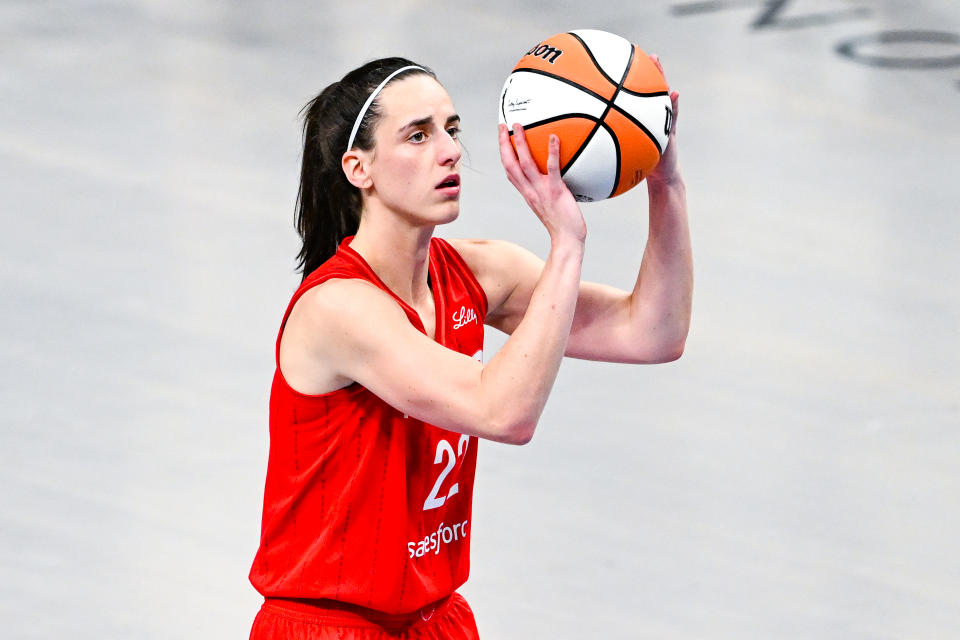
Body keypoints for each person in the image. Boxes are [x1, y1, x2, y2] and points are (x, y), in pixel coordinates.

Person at [249, 56, 691, 639]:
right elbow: (503, 412)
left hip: (436, 619)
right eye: (418, 134)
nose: (451, 150)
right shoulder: (338, 309)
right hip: (328, 627)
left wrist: (666, 183)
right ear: (360, 168)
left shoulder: (481, 272)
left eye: (452, 129)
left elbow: (653, 332)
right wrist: (565, 245)